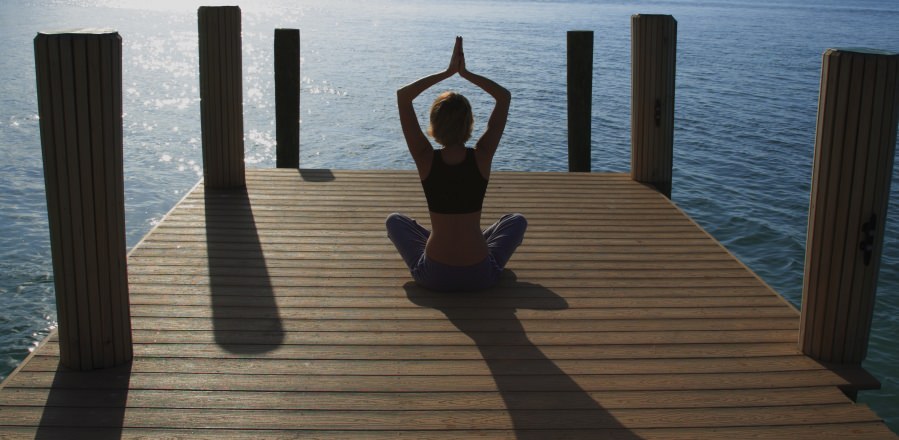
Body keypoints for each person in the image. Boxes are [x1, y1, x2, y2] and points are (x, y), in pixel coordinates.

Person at [387, 36, 527, 292]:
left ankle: (447, 240)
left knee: (394, 220)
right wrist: (466, 74)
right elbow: (504, 97)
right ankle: (465, 241)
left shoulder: (425, 157)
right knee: (516, 220)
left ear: (434, 126)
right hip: (480, 275)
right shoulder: (482, 155)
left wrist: (447, 72)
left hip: (433, 275)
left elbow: (403, 97)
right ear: (469, 124)